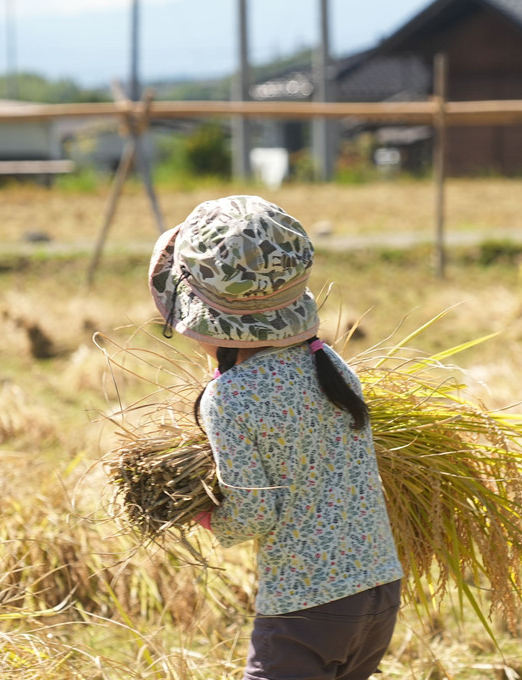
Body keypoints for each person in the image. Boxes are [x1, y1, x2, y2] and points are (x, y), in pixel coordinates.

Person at [148, 195, 404, 680]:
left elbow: (254, 512)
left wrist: (203, 515)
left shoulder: (228, 398)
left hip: (306, 607)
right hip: (379, 591)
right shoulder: (332, 366)